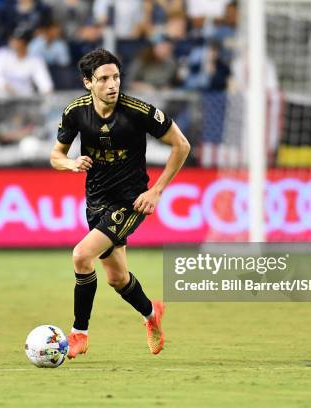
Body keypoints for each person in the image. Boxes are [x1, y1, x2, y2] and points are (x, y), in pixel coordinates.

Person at [49, 48, 190, 357]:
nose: (112, 84)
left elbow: (181, 145)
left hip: (131, 201)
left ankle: (78, 334)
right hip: (96, 200)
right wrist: (71, 163)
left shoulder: (139, 111)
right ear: (88, 82)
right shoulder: (75, 112)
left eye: (115, 77)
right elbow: (55, 156)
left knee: (81, 256)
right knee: (117, 278)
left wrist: (156, 191)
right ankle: (152, 313)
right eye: (103, 79)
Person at [0, 26, 53, 96]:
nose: (13, 42)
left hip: (24, 102)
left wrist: (45, 94)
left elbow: (46, 85)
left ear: (25, 42)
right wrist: (8, 88)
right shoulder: (2, 54)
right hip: (2, 101)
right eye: (12, 38)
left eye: (18, 40)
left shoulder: (35, 60)